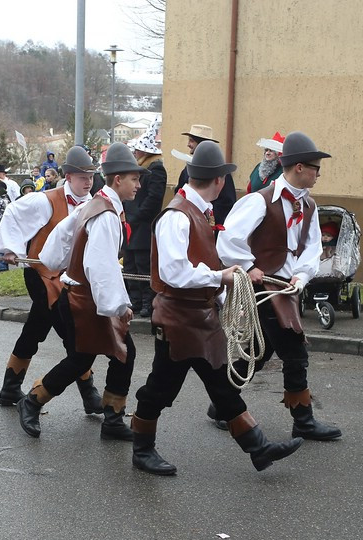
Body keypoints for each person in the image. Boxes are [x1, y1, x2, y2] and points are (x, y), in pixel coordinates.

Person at [129, 140, 303, 475]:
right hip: (178, 320)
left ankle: (259, 448)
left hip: (199, 316)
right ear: (219, 181)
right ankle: (142, 449)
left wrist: (224, 301)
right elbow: (174, 272)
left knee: (221, 385)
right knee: (160, 388)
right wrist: (222, 277)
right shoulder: (177, 216)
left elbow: (201, 264)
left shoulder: (198, 212)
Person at [215, 131, 343, 441]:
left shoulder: (309, 206)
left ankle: (221, 403)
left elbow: (311, 248)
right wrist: (250, 266)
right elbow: (228, 239)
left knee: (260, 352)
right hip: (263, 288)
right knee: (295, 351)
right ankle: (303, 420)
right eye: (315, 167)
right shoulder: (259, 201)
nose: (318, 173)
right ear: (299, 167)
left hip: (287, 288)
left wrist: (301, 276)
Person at [16, 142, 143, 441]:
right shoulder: (106, 213)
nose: (138, 184)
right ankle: (32, 401)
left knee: (110, 355)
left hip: (81, 297)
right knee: (88, 358)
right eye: (134, 178)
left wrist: (54, 263)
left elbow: (62, 234)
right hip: (84, 301)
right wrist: (118, 306)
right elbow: (100, 266)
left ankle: (110, 418)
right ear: (117, 180)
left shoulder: (97, 203)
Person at [0, 146, 103, 412]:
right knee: (71, 333)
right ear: (67, 176)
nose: (87, 181)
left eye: (90, 175)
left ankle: (9, 389)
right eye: (80, 176)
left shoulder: (93, 204)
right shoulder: (45, 200)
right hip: (42, 275)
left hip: (69, 279)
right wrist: (11, 249)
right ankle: (88, 395)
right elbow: (12, 214)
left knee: (36, 328)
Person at [123, 120, 166, 318]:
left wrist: (137, 216)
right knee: (130, 265)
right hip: (133, 225)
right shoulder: (139, 169)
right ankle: (135, 301)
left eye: (138, 151)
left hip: (144, 227)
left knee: (143, 266)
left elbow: (154, 199)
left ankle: (148, 303)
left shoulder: (156, 169)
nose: (136, 154)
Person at [173, 124, 238, 225]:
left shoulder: (221, 172)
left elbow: (227, 203)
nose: (188, 144)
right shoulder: (186, 170)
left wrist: (209, 220)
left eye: (191, 141)